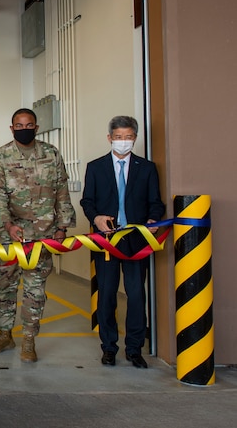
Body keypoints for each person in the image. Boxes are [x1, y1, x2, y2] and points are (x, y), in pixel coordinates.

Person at [0, 108, 75, 363]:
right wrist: (7, 226)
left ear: (36, 127)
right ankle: (5, 334)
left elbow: (61, 192)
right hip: (9, 236)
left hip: (42, 235)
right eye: (19, 125)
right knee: (5, 286)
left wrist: (62, 227)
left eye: (29, 125)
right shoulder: (0, 157)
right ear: (12, 129)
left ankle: (28, 339)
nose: (24, 129)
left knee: (35, 290)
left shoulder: (51, 154)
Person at [80, 116, 165, 368]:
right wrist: (96, 218)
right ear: (109, 138)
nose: (123, 142)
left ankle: (134, 348)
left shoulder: (147, 168)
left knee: (136, 295)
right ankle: (109, 348)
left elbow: (156, 203)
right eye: (118, 137)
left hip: (137, 242)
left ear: (135, 138)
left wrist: (152, 219)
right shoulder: (95, 167)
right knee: (106, 295)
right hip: (106, 241)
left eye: (128, 137)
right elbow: (87, 201)